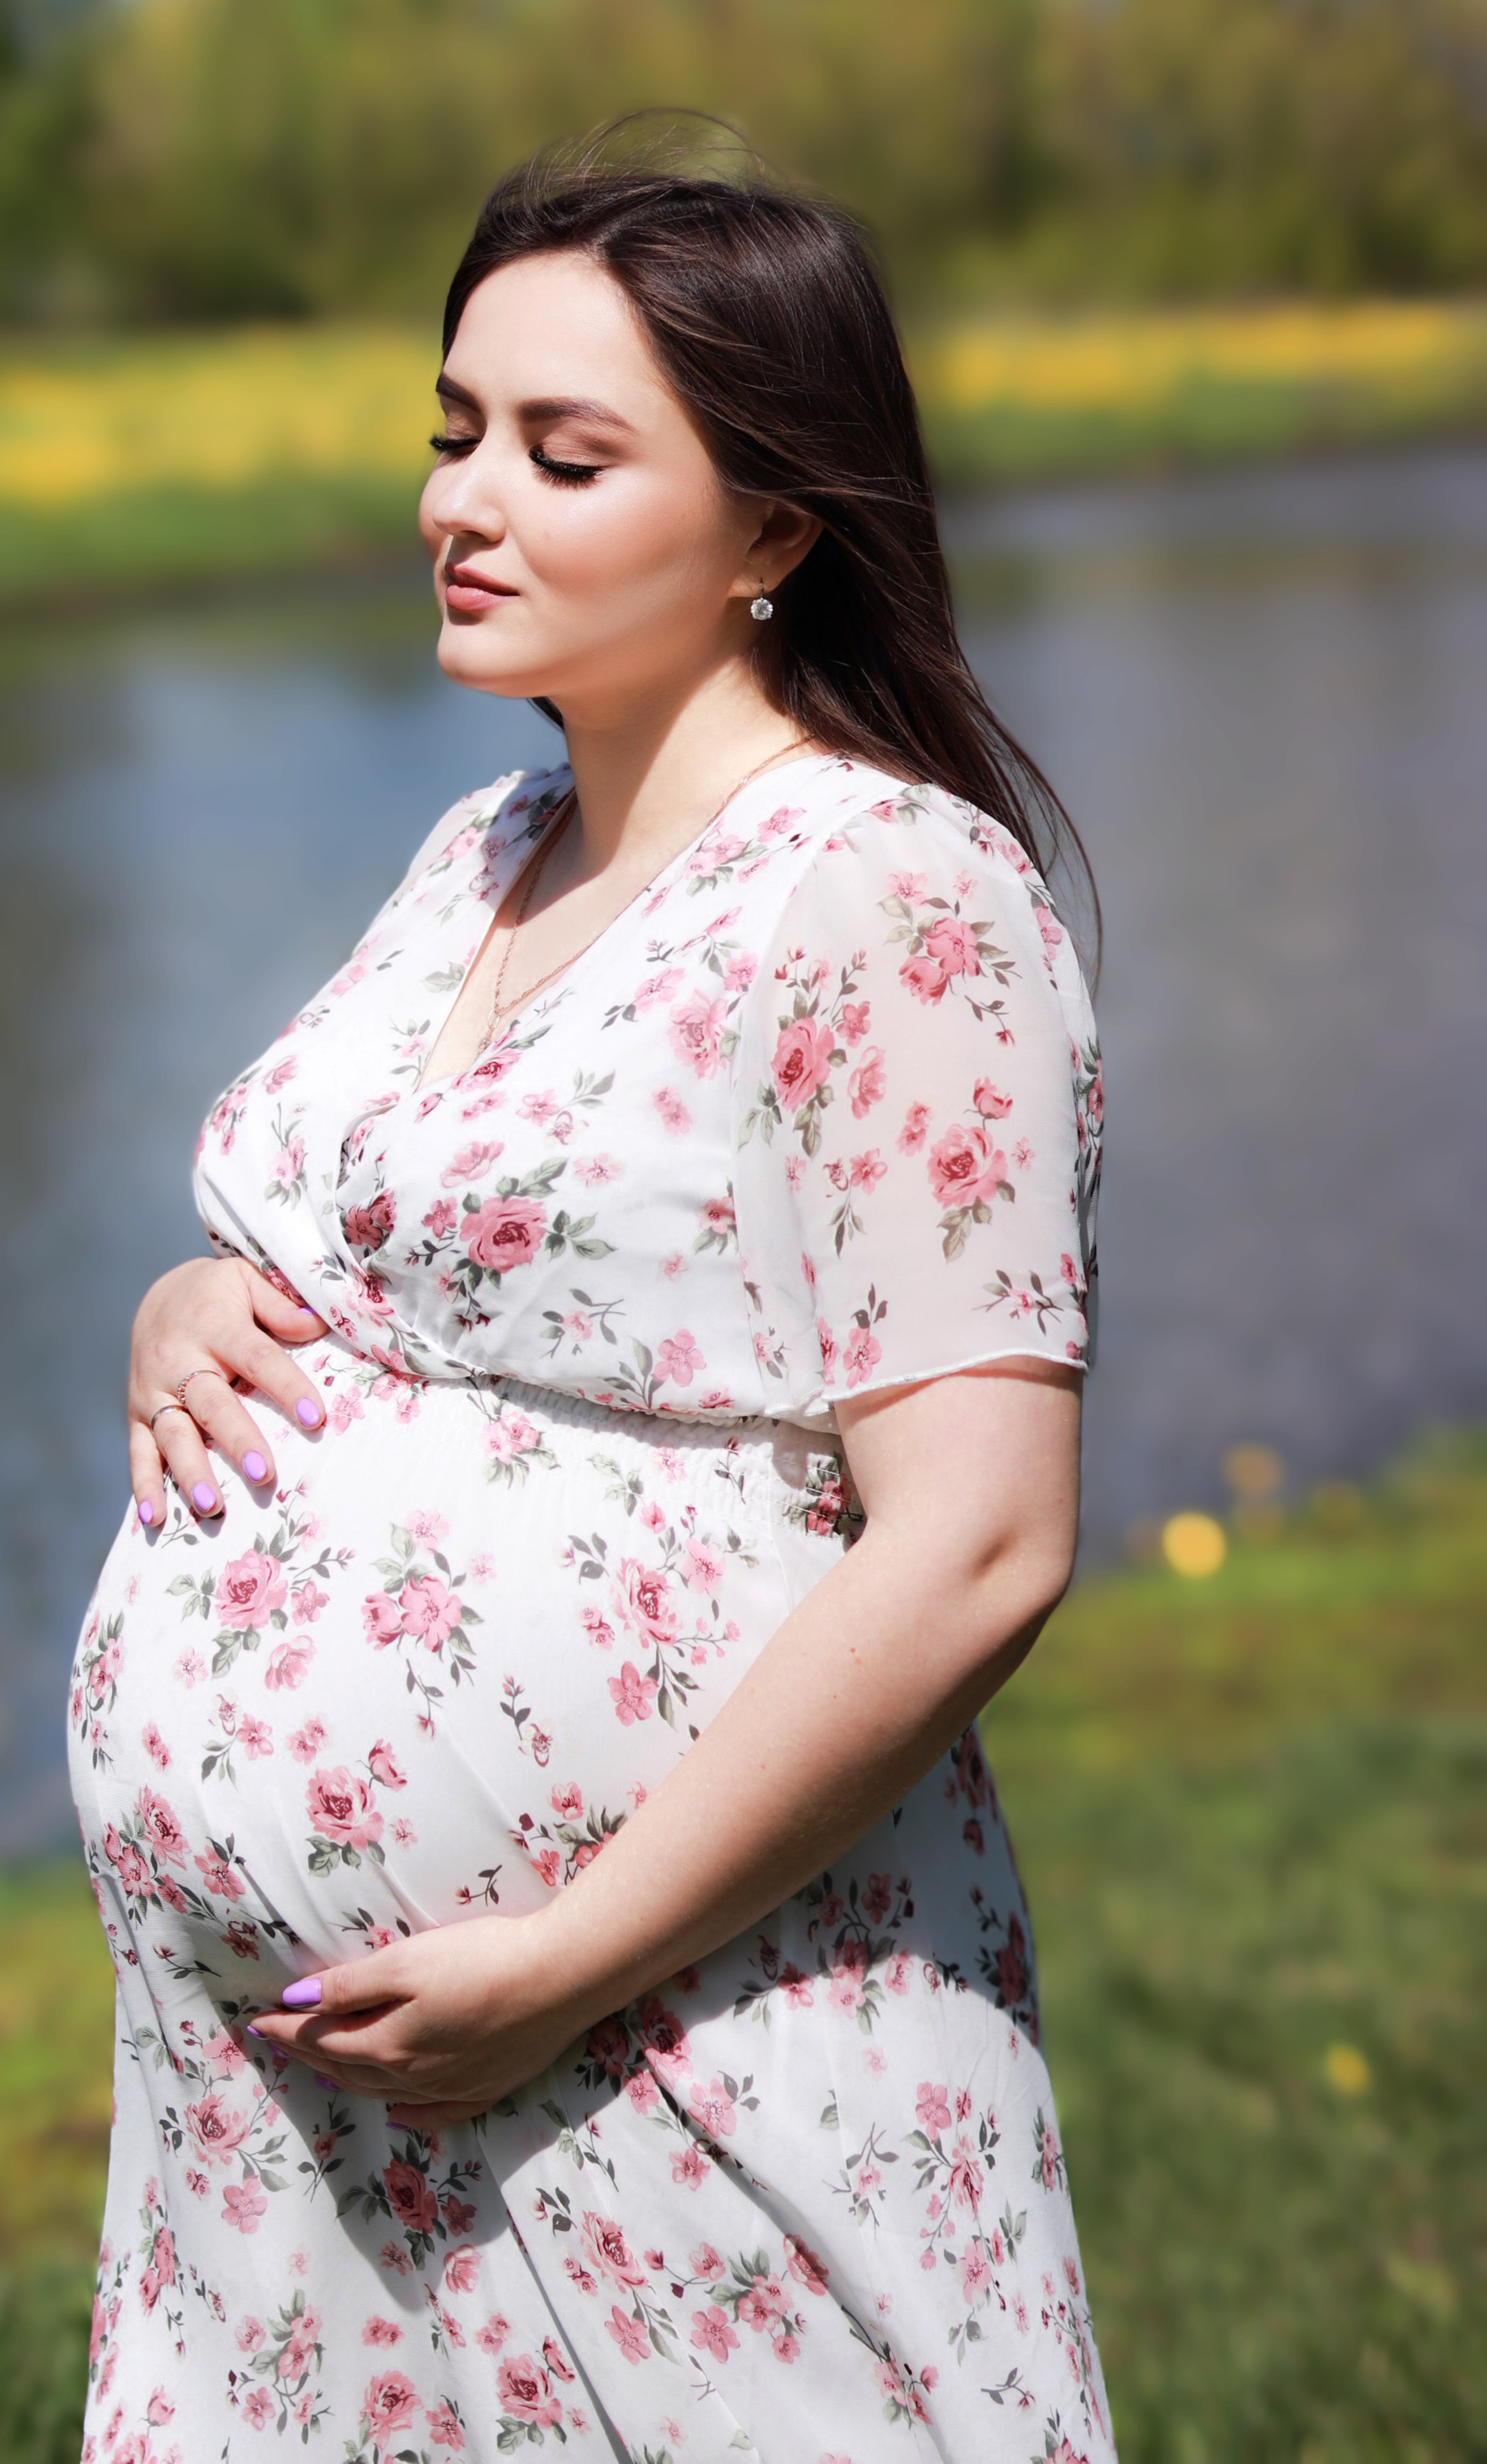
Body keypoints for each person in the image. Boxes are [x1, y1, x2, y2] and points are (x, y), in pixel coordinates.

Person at [70, 138, 1110, 2464]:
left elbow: (977, 1539)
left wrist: (567, 1953)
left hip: (676, 2035)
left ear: (773, 528)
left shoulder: (894, 895)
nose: (467, 497)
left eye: (566, 452)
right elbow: (363, 1244)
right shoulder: (480, 855)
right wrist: (185, 1311)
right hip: (304, 2139)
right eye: (455, 428)